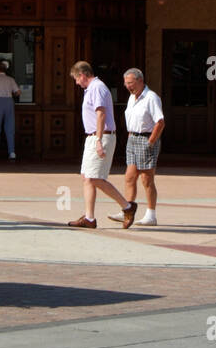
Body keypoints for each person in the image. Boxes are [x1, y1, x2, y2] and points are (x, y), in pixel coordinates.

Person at [67, 61, 137, 229]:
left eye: (76, 78)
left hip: (101, 136)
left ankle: (127, 207)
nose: (76, 82)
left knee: (95, 178)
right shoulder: (91, 89)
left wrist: (98, 140)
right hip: (93, 137)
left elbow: (101, 114)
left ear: (82, 75)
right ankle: (89, 218)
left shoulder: (97, 87)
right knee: (87, 177)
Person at [108, 67, 164, 226]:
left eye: (130, 83)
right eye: (126, 83)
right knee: (129, 177)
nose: (128, 86)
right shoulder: (132, 97)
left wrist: (151, 142)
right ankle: (127, 210)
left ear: (140, 81)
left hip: (146, 139)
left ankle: (151, 214)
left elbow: (160, 122)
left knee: (147, 179)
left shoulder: (151, 97)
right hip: (132, 139)